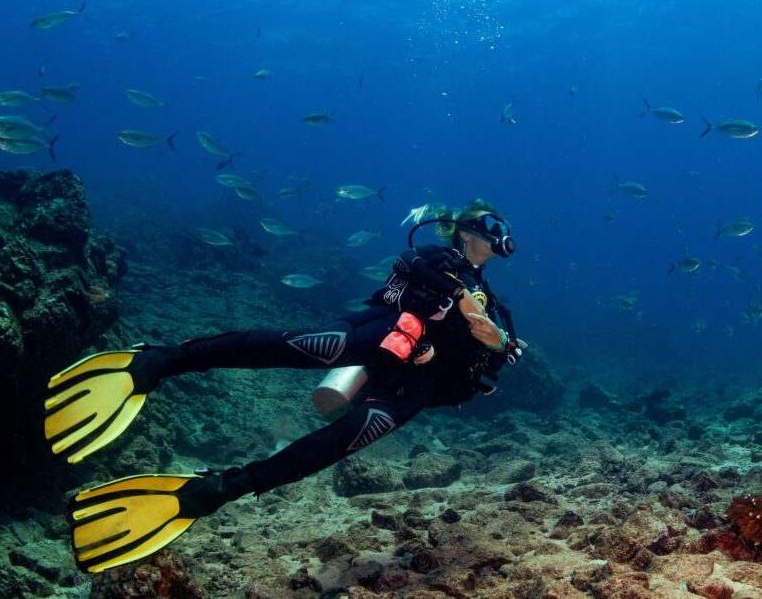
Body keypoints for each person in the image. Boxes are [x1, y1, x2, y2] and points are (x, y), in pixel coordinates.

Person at [44, 199, 524, 573]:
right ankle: (159, 362)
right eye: (490, 224)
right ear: (465, 229)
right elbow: (408, 263)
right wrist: (459, 296)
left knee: (340, 441)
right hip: (380, 334)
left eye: (502, 229)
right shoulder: (438, 257)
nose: (498, 235)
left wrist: (495, 338)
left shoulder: (496, 303)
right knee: (284, 345)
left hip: (417, 381)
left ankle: (217, 490)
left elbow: (488, 363)